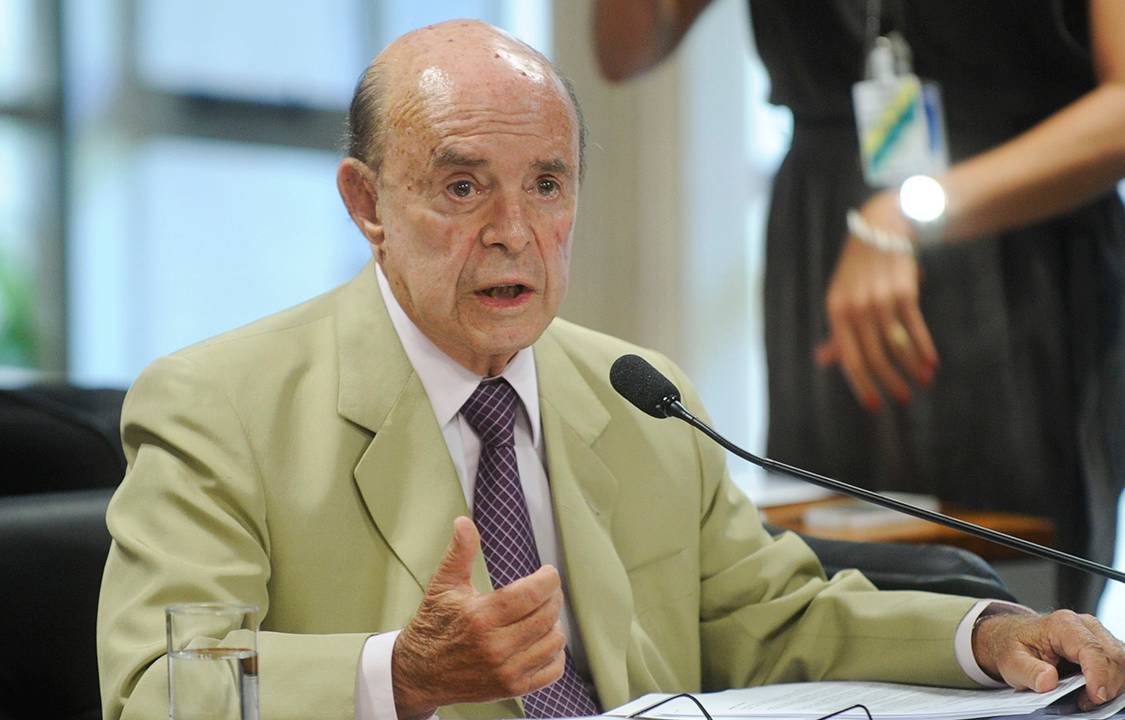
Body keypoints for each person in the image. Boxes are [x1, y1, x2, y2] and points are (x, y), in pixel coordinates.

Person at [96, 19, 1125, 720]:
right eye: (462, 187)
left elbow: (771, 619)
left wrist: (992, 634)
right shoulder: (218, 406)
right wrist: (399, 676)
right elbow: (156, 689)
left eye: (548, 185)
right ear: (366, 204)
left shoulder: (635, 392)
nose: (514, 231)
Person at [594, 0, 1125, 612]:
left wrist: (908, 215)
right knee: (819, 579)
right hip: (825, 232)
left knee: (1018, 587)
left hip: (1020, 237)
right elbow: (624, 51)